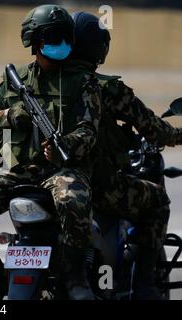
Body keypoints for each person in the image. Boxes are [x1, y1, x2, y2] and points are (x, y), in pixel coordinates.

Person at [0, 5, 102, 300]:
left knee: (75, 202)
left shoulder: (83, 82)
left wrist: (65, 146)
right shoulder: (15, 79)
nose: (61, 44)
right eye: (53, 37)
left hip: (60, 171)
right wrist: (12, 115)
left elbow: (88, 131)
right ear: (34, 41)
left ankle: (75, 276)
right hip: (13, 171)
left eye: (65, 37)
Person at [71, 11, 182, 299]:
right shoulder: (104, 87)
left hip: (44, 184)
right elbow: (154, 128)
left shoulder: (37, 83)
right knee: (157, 201)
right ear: (99, 46)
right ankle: (144, 286)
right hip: (95, 185)